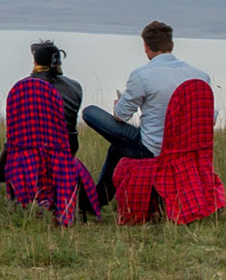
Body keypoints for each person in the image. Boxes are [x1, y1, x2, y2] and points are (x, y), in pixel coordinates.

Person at [83, 21, 209, 205]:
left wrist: (119, 104)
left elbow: (121, 116)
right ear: (171, 45)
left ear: (146, 47)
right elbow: (209, 118)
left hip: (152, 149)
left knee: (90, 113)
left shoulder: (142, 75)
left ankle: (95, 201)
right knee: (118, 147)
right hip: (188, 146)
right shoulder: (200, 76)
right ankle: (95, 200)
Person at [0, 40, 84, 203]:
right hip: (66, 148)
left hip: (31, 152)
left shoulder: (25, 88)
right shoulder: (75, 87)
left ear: (35, 62)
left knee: (14, 140)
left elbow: (16, 134)